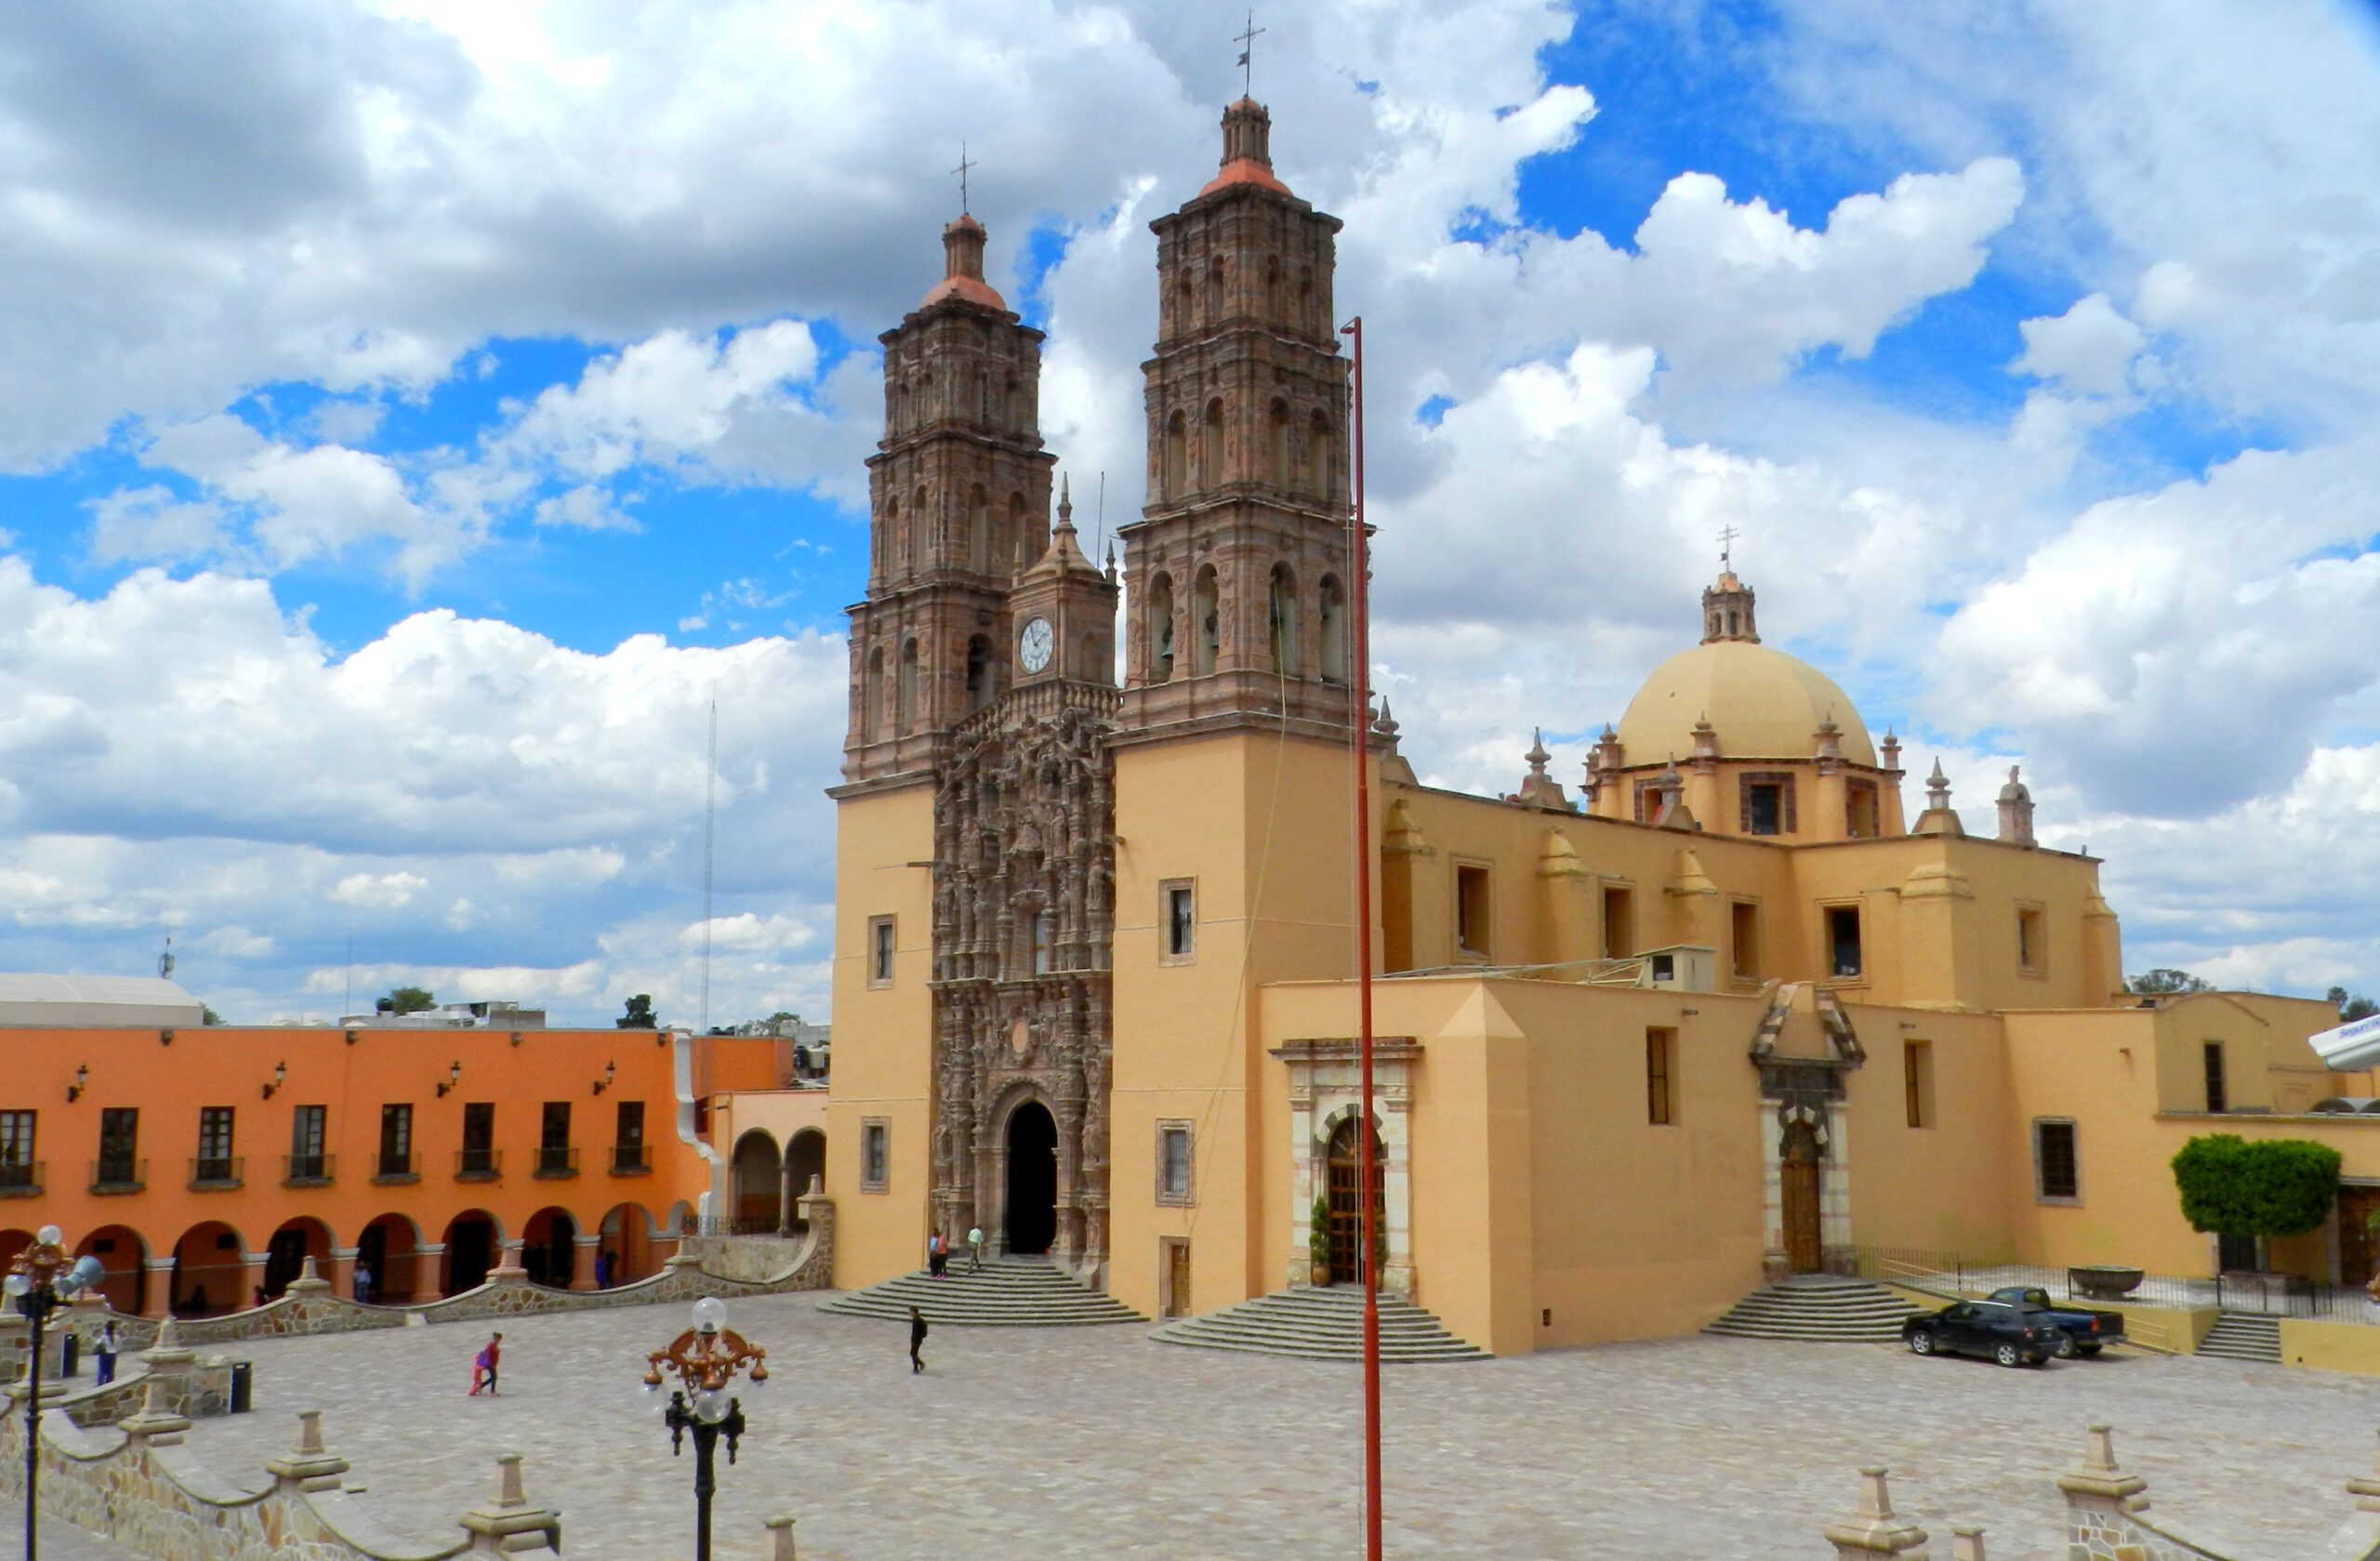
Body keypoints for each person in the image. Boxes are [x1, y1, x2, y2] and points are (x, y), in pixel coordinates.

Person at [469, 1330, 504, 1396]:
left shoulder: (492, 1345)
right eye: (499, 1339)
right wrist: (492, 1364)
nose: (499, 1340)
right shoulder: (492, 1345)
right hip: (491, 1364)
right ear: (496, 1338)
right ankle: (485, 1388)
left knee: (494, 1377)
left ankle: (487, 1389)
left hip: (492, 1364)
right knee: (494, 1377)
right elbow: (489, 1355)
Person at [92, 1320, 119, 1387]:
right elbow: (119, 1346)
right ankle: (110, 1384)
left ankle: (100, 1384)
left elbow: (97, 1343)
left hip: (105, 1354)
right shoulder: (117, 1337)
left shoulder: (103, 1337)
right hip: (113, 1354)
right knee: (111, 1371)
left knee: (102, 1370)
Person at [908, 1305, 928, 1374]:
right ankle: (917, 1366)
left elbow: (915, 1332)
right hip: (919, 1339)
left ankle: (918, 1366)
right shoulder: (918, 1319)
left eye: (910, 1311)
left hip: (916, 1340)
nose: (909, 1313)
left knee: (913, 1354)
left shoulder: (916, 1320)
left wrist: (913, 1340)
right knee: (914, 1354)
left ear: (914, 1312)